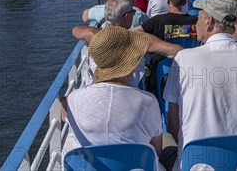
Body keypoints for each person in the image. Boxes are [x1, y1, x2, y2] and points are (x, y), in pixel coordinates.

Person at [164, 0, 237, 171]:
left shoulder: (183, 59)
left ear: (209, 21)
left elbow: (173, 125)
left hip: (196, 166)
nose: (196, 24)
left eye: (198, 19)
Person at [61, 25, 171, 171]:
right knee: (170, 145)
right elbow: (156, 150)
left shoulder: (74, 99)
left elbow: (62, 110)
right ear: (131, 65)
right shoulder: (148, 102)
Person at [73, 0, 183, 87]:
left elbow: (75, 30)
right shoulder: (141, 39)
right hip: (129, 94)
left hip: (98, 89)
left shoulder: (95, 35)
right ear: (127, 16)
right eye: (132, 12)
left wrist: (96, 31)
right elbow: (176, 50)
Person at [133, 0, 198, 41]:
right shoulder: (196, 22)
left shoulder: (157, 21)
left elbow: (132, 32)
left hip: (164, 55)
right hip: (188, 54)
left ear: (168, 1)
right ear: (184, 3)